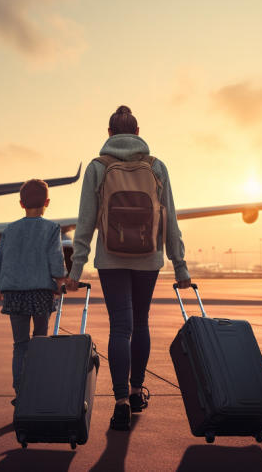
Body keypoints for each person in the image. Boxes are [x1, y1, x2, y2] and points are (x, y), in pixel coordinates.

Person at [65, 105, 191, 431]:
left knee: (120, 326)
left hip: (111, 259)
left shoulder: (98, 167)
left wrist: (75, 270)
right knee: (142, 322)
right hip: (148, 258)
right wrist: (180, 266)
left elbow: (85, 223)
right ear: (137, 133)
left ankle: (120, 401)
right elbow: (170, 220)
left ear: (109, 134)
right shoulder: (156, 166)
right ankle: (136, 393)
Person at [0, 179, 67, 404]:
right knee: (40, 340)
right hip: (41, 292)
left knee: (20, 343)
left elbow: (0, 258)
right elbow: (55, 259)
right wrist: (61, 281)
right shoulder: (51, 229)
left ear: (21, 203)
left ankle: (20, 389)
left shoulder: (10, 229)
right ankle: (37, 386)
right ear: (47, 202)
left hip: (14, 294)